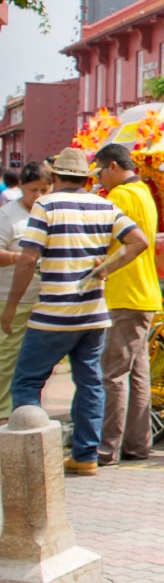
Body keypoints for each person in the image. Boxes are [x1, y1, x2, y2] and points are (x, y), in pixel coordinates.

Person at [2, 148, 150, 476]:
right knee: (90, 383)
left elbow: (28, 259)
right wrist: (108, 266)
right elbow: (139, 241)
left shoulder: (46, 205)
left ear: (54, 176)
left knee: (26, 382)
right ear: (86, 178)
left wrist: (11, 305)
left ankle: (31, 457)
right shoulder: (104, 205)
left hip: (53, 314)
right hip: (93, 314)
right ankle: (85, 455)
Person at [93, 144, 161, 466]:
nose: (99, 179)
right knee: (136, 375)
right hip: (144, 294)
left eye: (100, 172)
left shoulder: (119, 196)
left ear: (112, 166)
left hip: (124, 293)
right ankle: (137, 445)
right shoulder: (144, 193)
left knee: (113, 375)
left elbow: (102, 240)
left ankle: (106, 449)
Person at [0, 161, 49, 419]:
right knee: (7, 359)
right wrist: (19, 258)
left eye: (44, 189)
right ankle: (3, 415)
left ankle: (27, 412)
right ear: (21, 187)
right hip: (10, 297)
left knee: (34, 362)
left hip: (43, 300)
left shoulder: (48, 212)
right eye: (33, 190)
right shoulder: (8, 215)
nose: (38, 195)